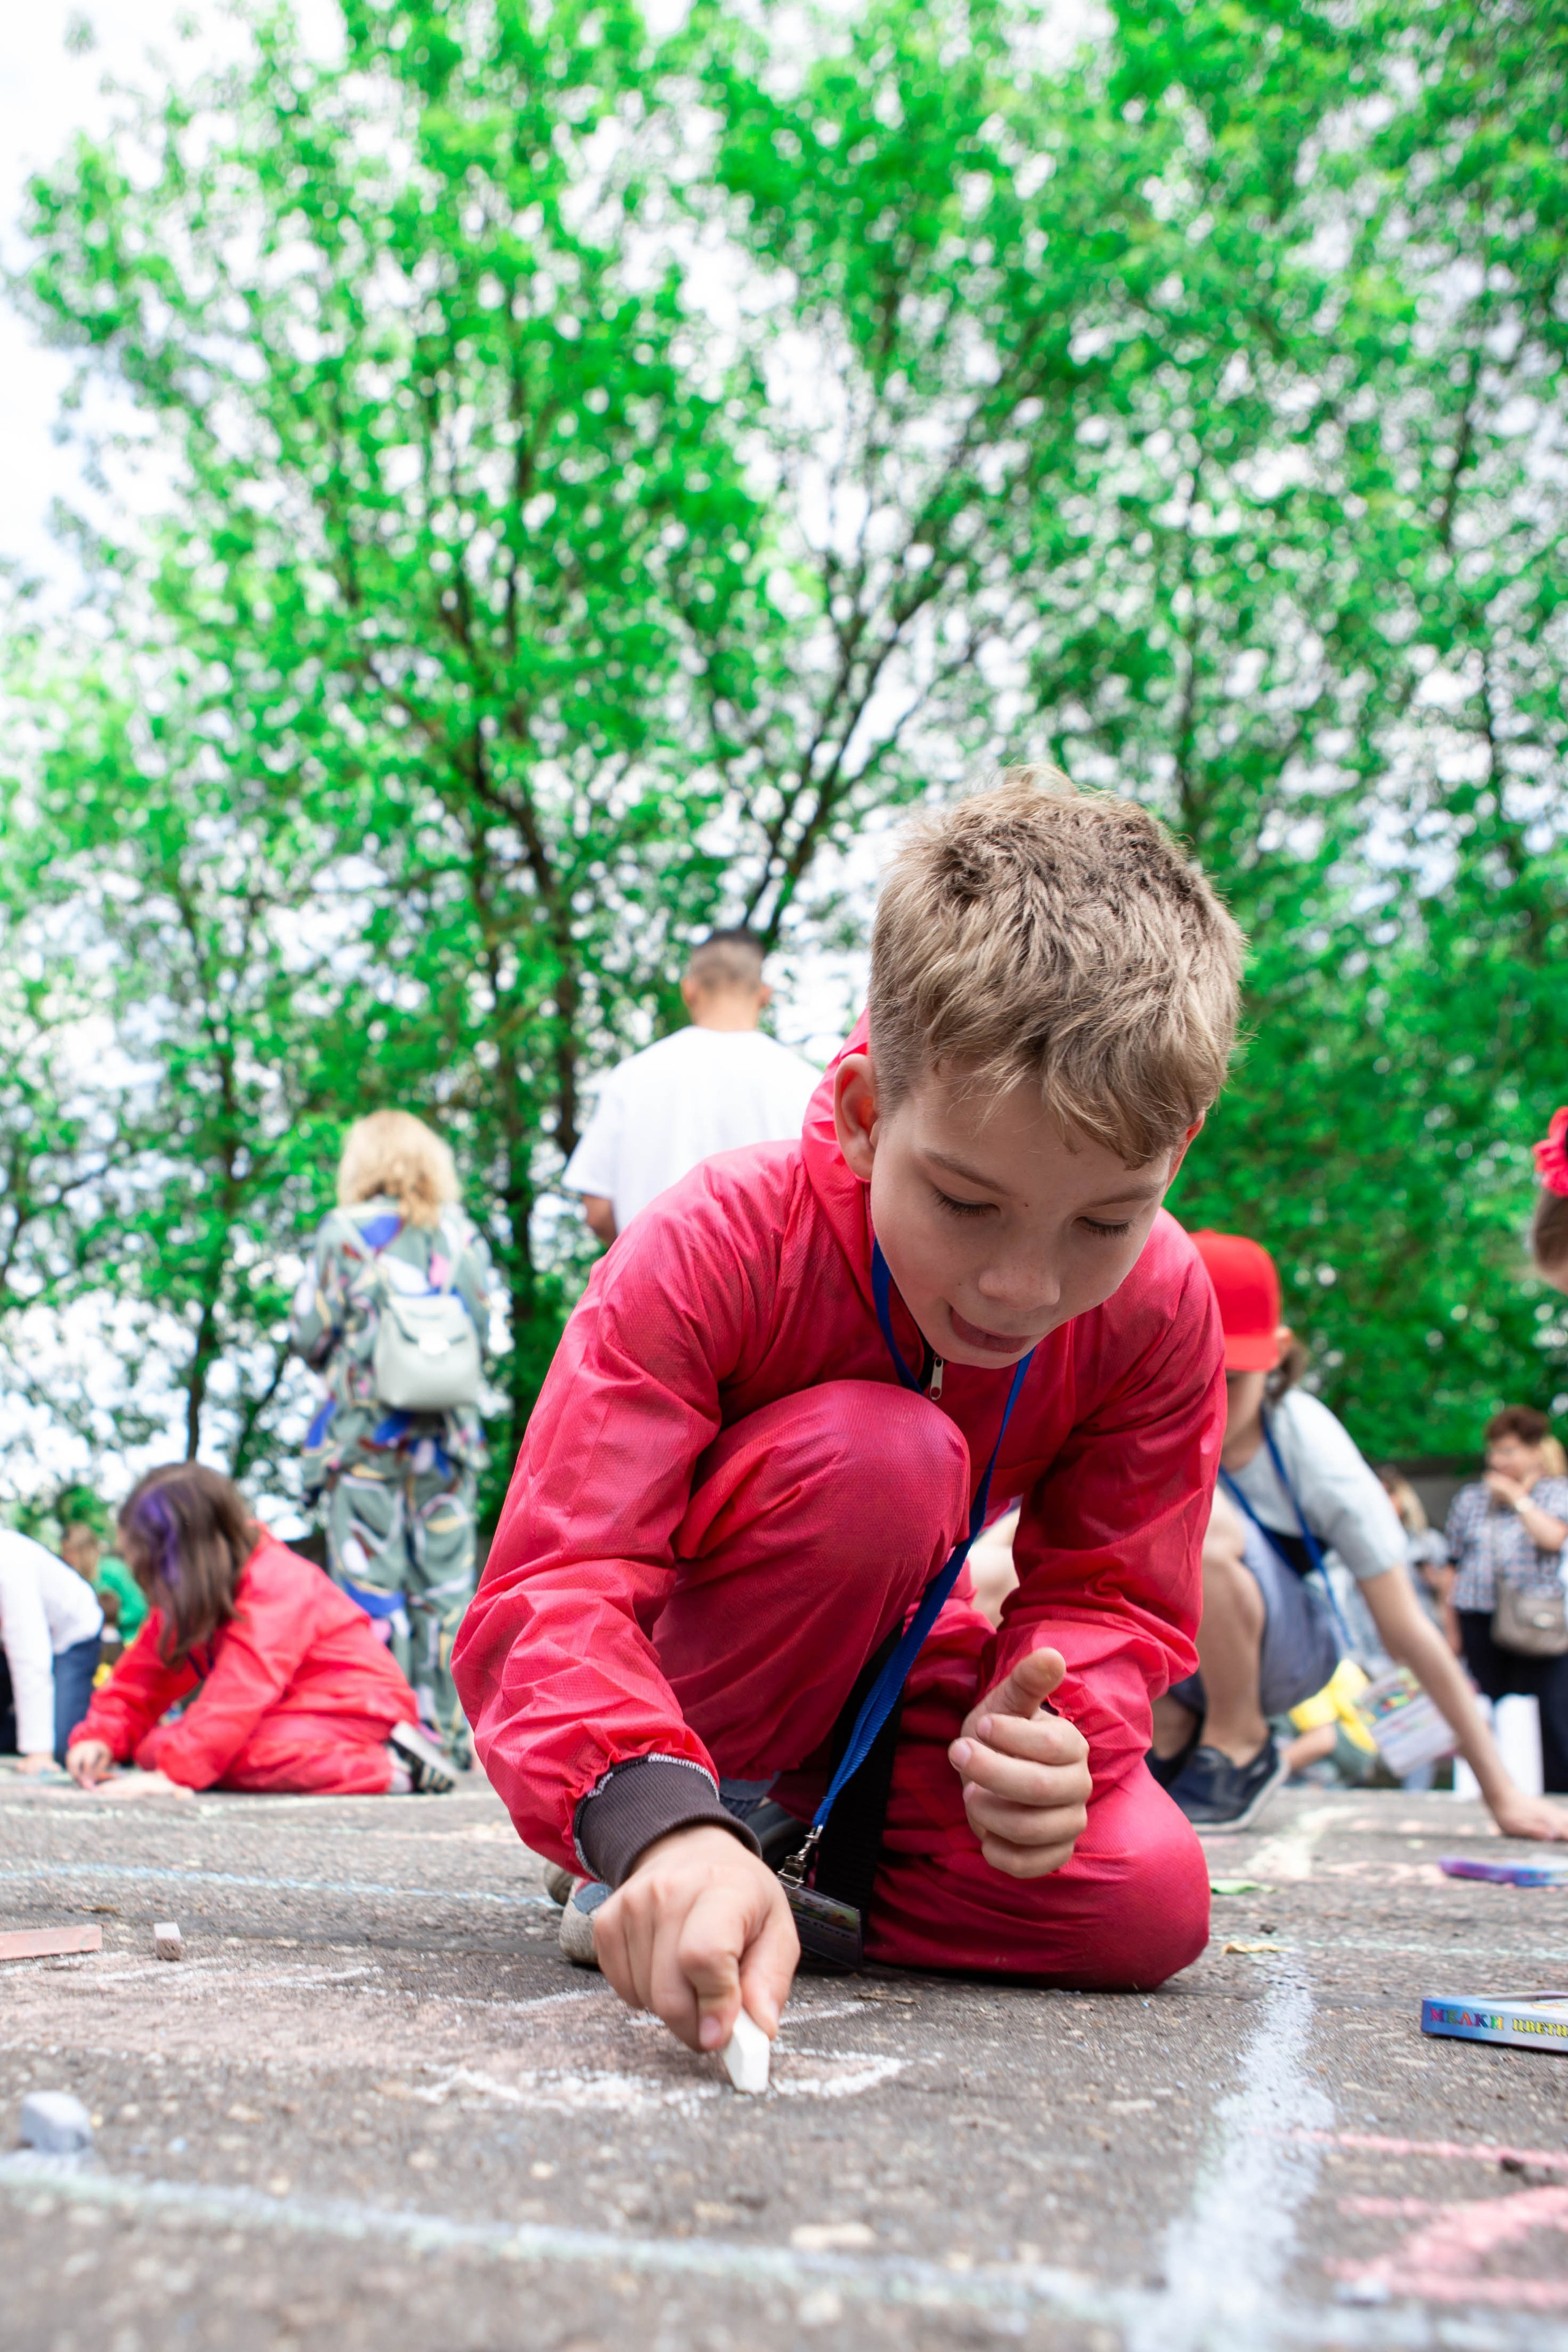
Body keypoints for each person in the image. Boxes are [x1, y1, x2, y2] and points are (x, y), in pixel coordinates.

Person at [454, 772, 1245, 2061]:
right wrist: (650, 1807)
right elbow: (554, 1589)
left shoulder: (1158, 1305)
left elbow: (1109, 1595)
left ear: (1175, 1157)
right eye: (966, 1202)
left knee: (1145, 1900)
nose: (1022, 1286)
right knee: (886, 1459)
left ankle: (780, 1874)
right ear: (867, 1113)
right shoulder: (717, 1240)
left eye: (1103, 1219)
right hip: (694, 1704)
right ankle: (685, 1844)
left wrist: (1052, 1733)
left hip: (897, 1698)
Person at [1150, 1231, 1567, 1839]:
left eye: (1230, 1379)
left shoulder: (1308, 1446)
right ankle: (1174, 1736)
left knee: (1204, 1522)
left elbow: (1407, 1630)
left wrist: (1502, 1796)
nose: (1206, 1398)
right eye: (1186, 1372)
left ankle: (1239, 1741)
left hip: (1287, 1653)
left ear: (1276, 1355)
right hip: (1177, 1657)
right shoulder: (1141, 1418)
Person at [290, 1110, 493, 1767]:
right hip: (449, 1439)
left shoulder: (343, 1233)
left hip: (365, 1441)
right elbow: (482, 1334)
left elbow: (309, 1335)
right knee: (447, 1590)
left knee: (370, 1589)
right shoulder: (464, 1237)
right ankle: (454, 1738)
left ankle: (391, 1735)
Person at [65, 1463, 454, 1795]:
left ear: (185, 1560)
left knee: (225, 1756)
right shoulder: (196, 1593)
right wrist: (99, 1736)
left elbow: (236, 1698)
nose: (150, 1587)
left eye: (152, 1571)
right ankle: (377, 1761)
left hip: (359, 1711)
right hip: (294, 1710)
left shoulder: (277, 1583)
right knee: (160, 1748)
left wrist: (172, 1776)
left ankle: (391, 1767)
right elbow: (139, 1680)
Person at [563, 929, 820, 1246]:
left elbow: (598, 1210)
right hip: (772, 1292)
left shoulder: (631, 1078)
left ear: (689, 990)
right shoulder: (808, 1085)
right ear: (764, 994)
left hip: (651, 1286)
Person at [1444, 1407, 1568, 1792]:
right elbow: (1452, 1565)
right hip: (1478, 1617)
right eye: (1495, 1450)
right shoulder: (1471, 1499)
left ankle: (1555, 1796)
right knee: (1485, 1711)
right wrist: (1449, 1630)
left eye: (1510, 1450)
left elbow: (1553, 1538)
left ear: (1534, 1451)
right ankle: (1494, 1792)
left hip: (1539, 1625)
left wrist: (1517, 1498)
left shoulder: (1555, 1492)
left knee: (1551, 1716)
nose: (1499, 1460)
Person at [0, 1529, 103, 1771]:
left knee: (63, 1747)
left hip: (72, 1638)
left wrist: (39, 1751)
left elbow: (30, 1655)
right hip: (10, 1645)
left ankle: (96, 1714)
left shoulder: (10, 1562)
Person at [60, 1521, 149, 1646]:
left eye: (69, 1551)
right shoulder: (75, 1580)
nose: (66, 1557)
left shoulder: (113, 1570)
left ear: (84, 1551)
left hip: (125, 1643)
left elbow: (139, 1608)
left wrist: (109, 1620)